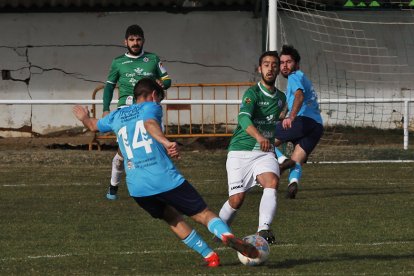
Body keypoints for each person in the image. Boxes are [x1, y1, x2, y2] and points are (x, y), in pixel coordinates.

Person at [73, 78, 259, 267]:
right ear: (154, 95)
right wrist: (165, 142)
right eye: (159, 98)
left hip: (137, 188)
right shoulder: (151, 107)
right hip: (163, 178)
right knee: (203, 213)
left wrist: (84, 117)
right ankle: (227, 236)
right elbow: (149, 124)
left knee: (171, 218)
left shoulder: (117, 115)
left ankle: (209, 256)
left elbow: (93, 125)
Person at [218, 51, 286, 245]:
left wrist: (280, 128)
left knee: (271, 182)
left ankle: (263, 229)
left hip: (264, 153)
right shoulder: (252, 93)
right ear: (259, 69)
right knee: (237, 199)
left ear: (278, 69)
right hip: (241, 151)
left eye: (274, 65)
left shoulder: (281, 98)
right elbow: (243, 117)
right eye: (266, 64)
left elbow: (273, 121)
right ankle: (219, 230)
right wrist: (259, 136)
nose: (270, 68)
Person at [102, 24, 171, 200]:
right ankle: (113, 185)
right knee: (124, 151)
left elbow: (167, 79)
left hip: (148, 107)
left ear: (143, 41)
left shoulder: (153, 59)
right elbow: (109, 87)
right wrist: (105, 109)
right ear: (125, 41)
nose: (135, 43)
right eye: (132, 39)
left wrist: (164, 83)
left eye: (138, 39)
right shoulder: (118, 62)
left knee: (156, 145)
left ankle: (162, 184)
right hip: (127, 108)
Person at [274, 45, 324, 199]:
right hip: (317, 126)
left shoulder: (294, 76)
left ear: (296, 64)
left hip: (302, 121)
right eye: (282, 63)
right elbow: (295, 98)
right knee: (297, 159)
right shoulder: (302, 77)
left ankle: (282, 160)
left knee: (262, 139)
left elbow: (299, 96)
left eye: (288, 62)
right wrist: (285, 113)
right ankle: (293, 183)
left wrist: (291, 117)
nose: (284, 66)